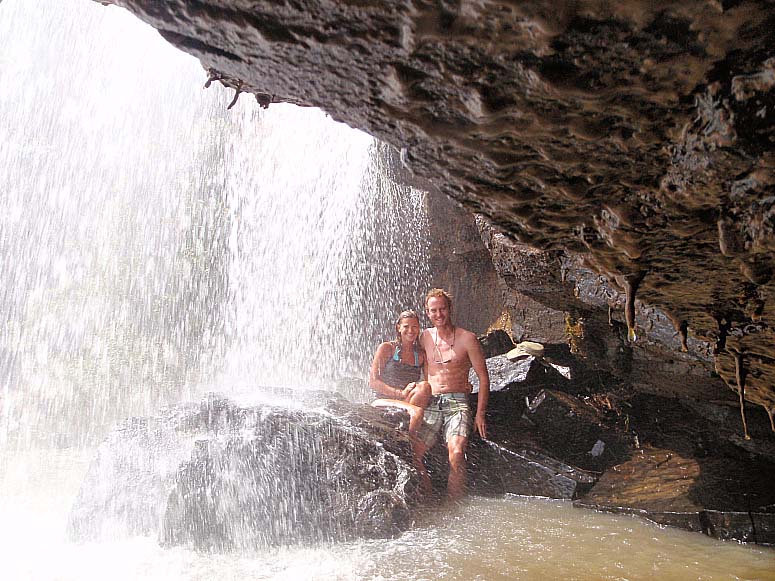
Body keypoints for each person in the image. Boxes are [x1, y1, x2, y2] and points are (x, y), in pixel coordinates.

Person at [418, 288, 490, 500]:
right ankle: (428, 500)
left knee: (457, 453)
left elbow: (483, 377)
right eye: (433, 310)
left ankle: (454, 505)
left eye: (442, 309)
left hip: (457, 401)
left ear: (450, 309)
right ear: (427, 312)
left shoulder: (467, 339)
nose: (438, 315)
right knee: (415, 452)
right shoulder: (424, 337)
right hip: (431, 401)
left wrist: (480, 414)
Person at [369, 310, 432, 435]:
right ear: (398, 327)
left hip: (406, 401)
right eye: (406, 326)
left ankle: (404, 429)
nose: (410, 330)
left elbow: (431, 381)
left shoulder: (420, 355)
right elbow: (373, 382)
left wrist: (460, 385)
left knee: (425, 386)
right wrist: (399, 393)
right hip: (382, 401)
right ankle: (407, 443)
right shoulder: (387, 348)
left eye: (414, 327)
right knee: (417, 412)